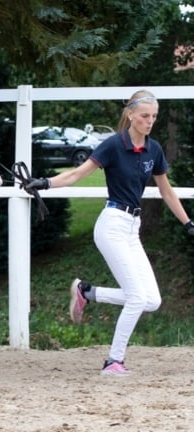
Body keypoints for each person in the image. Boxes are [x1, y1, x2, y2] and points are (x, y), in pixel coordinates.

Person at [26, 90, 194, 376]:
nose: (149, 121)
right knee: (137, 298)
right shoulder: (114, 145)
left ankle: (87, 292)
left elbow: (165, 191)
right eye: (144, 116)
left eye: (153, 116)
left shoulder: (154, 149)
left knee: (151, 301)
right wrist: (44, 182)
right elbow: (77, 174)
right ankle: (113, 361)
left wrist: (188, 223)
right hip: (112, 225)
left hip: (132, 228)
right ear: (130, 115)